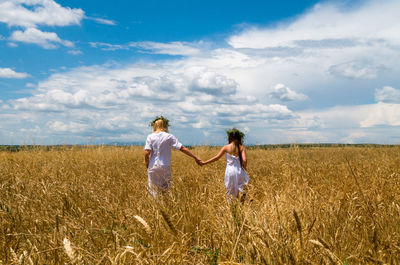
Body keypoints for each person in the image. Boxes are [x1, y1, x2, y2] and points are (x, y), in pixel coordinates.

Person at [144, 116, 201, 196]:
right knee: (166, 189)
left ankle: (155, 206)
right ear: (165, 126)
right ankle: (164, 206)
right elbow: (182, 148)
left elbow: (146, 153)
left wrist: (147, 164)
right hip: (165, 165)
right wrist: (195, 157)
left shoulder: (150, 136)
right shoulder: (169, 136)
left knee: (153, 190)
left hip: (153, 166)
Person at [199, 128, 249, 199]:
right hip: (239, 170)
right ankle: (241, 206)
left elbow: (217, 158)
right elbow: (245, 160)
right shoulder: (241, 147)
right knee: (242, 190)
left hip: (230, 171)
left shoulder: (226, 147)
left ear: (230, 137)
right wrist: (244, 168)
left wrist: (204, 162)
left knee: (230, 191)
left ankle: (232, 207)